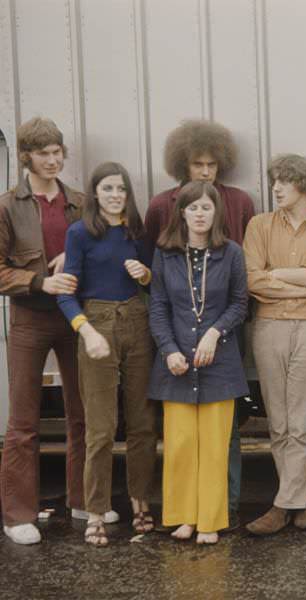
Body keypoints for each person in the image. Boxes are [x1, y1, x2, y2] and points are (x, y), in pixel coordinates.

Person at [144, 119, 255, 529]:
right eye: (193, 207)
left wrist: (214, 333)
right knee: (179, 445)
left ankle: (211, 520)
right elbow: (156, 306)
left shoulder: (232, 254)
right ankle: (183, 518)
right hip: (174, 360)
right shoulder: (164, 254)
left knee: (214, 445)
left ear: (216, 211)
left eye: (207, 207)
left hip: (219, 359)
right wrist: (169, 349)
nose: (200, 213)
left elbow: (239, 303)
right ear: (182, 211)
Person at [0, 117, 94, 545]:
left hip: (73, 317)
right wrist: (39, 280)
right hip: (30, 319)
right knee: (23, 421)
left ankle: (82, 498)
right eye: (43, 153)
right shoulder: (7, 205)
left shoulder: (79, 201)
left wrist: (72, 263)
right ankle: (18, 514)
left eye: (57, 152)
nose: (53, 160)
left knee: (82, 414)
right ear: (26, 156)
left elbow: (100, 252)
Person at [243, 154, 306, 535]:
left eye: (284, 180)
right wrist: (305, 282)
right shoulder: (259, 225)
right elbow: (253, 280)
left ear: (303, 183)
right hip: (268, 328)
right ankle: (301, 504)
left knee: (302, 423)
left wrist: (278, 276)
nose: (276, 187)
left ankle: (282, 506)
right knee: (280, 422)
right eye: (274, 181)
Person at [57, 162, 156, 546]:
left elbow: (153, 278)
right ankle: (95, 511)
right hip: (96, 321)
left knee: (142, 424)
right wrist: (86, 330)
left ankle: (140, 501)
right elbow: (66, 292)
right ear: (95, 193)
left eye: (122, 189)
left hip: (136, 319)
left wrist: (145, 276)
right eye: (108, 188)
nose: (116, 195)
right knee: (99, 428)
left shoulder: (137, 232)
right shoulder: (80, 233)